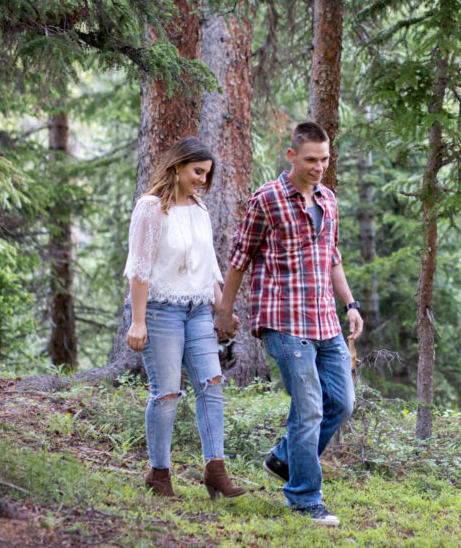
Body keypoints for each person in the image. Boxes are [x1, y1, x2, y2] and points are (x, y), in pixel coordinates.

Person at [216, 121, 363, 527]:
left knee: (342, 402)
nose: (319, 167)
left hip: (324, 319)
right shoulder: (266, 199)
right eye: (312, 160)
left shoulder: (329, 199)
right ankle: (303, 498)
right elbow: (239, 257)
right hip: (283, 320)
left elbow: (332, 258)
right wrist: (224, 312)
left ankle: (284, 457)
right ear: (292, 156)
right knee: (309, 408)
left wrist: (350, 304)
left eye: (325, 159)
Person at [123, 137, 247, 500]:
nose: (201, 180)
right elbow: (139, 269)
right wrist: (138, 321)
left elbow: (209, 268)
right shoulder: (150, 208)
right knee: (167, 394)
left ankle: (216, 470)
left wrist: (223, 308)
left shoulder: (200, 209)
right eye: (197, 172)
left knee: (211, 384)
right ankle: (159, 474)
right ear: (177, 166)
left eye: (206, 175)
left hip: (196, 310)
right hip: (159, 309)